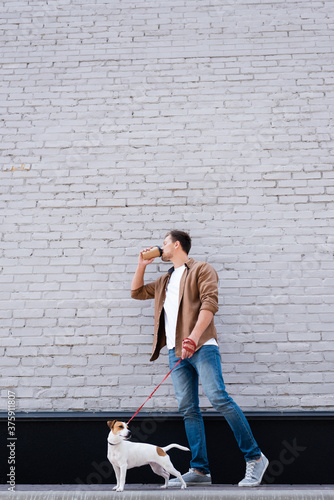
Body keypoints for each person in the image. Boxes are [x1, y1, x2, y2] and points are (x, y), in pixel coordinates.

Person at [131, 230, 269, 487]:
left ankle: (256, 457)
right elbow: (137, 292)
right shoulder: (165, 280)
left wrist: (193, 338)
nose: (160, 248)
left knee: (218, 398)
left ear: (176, 245)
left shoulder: (202, 269)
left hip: (202, 346)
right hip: (176, 352)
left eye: (164, 243)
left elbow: (210, 304)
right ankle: (200, 471)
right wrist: (141, 265)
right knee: (188, 410)